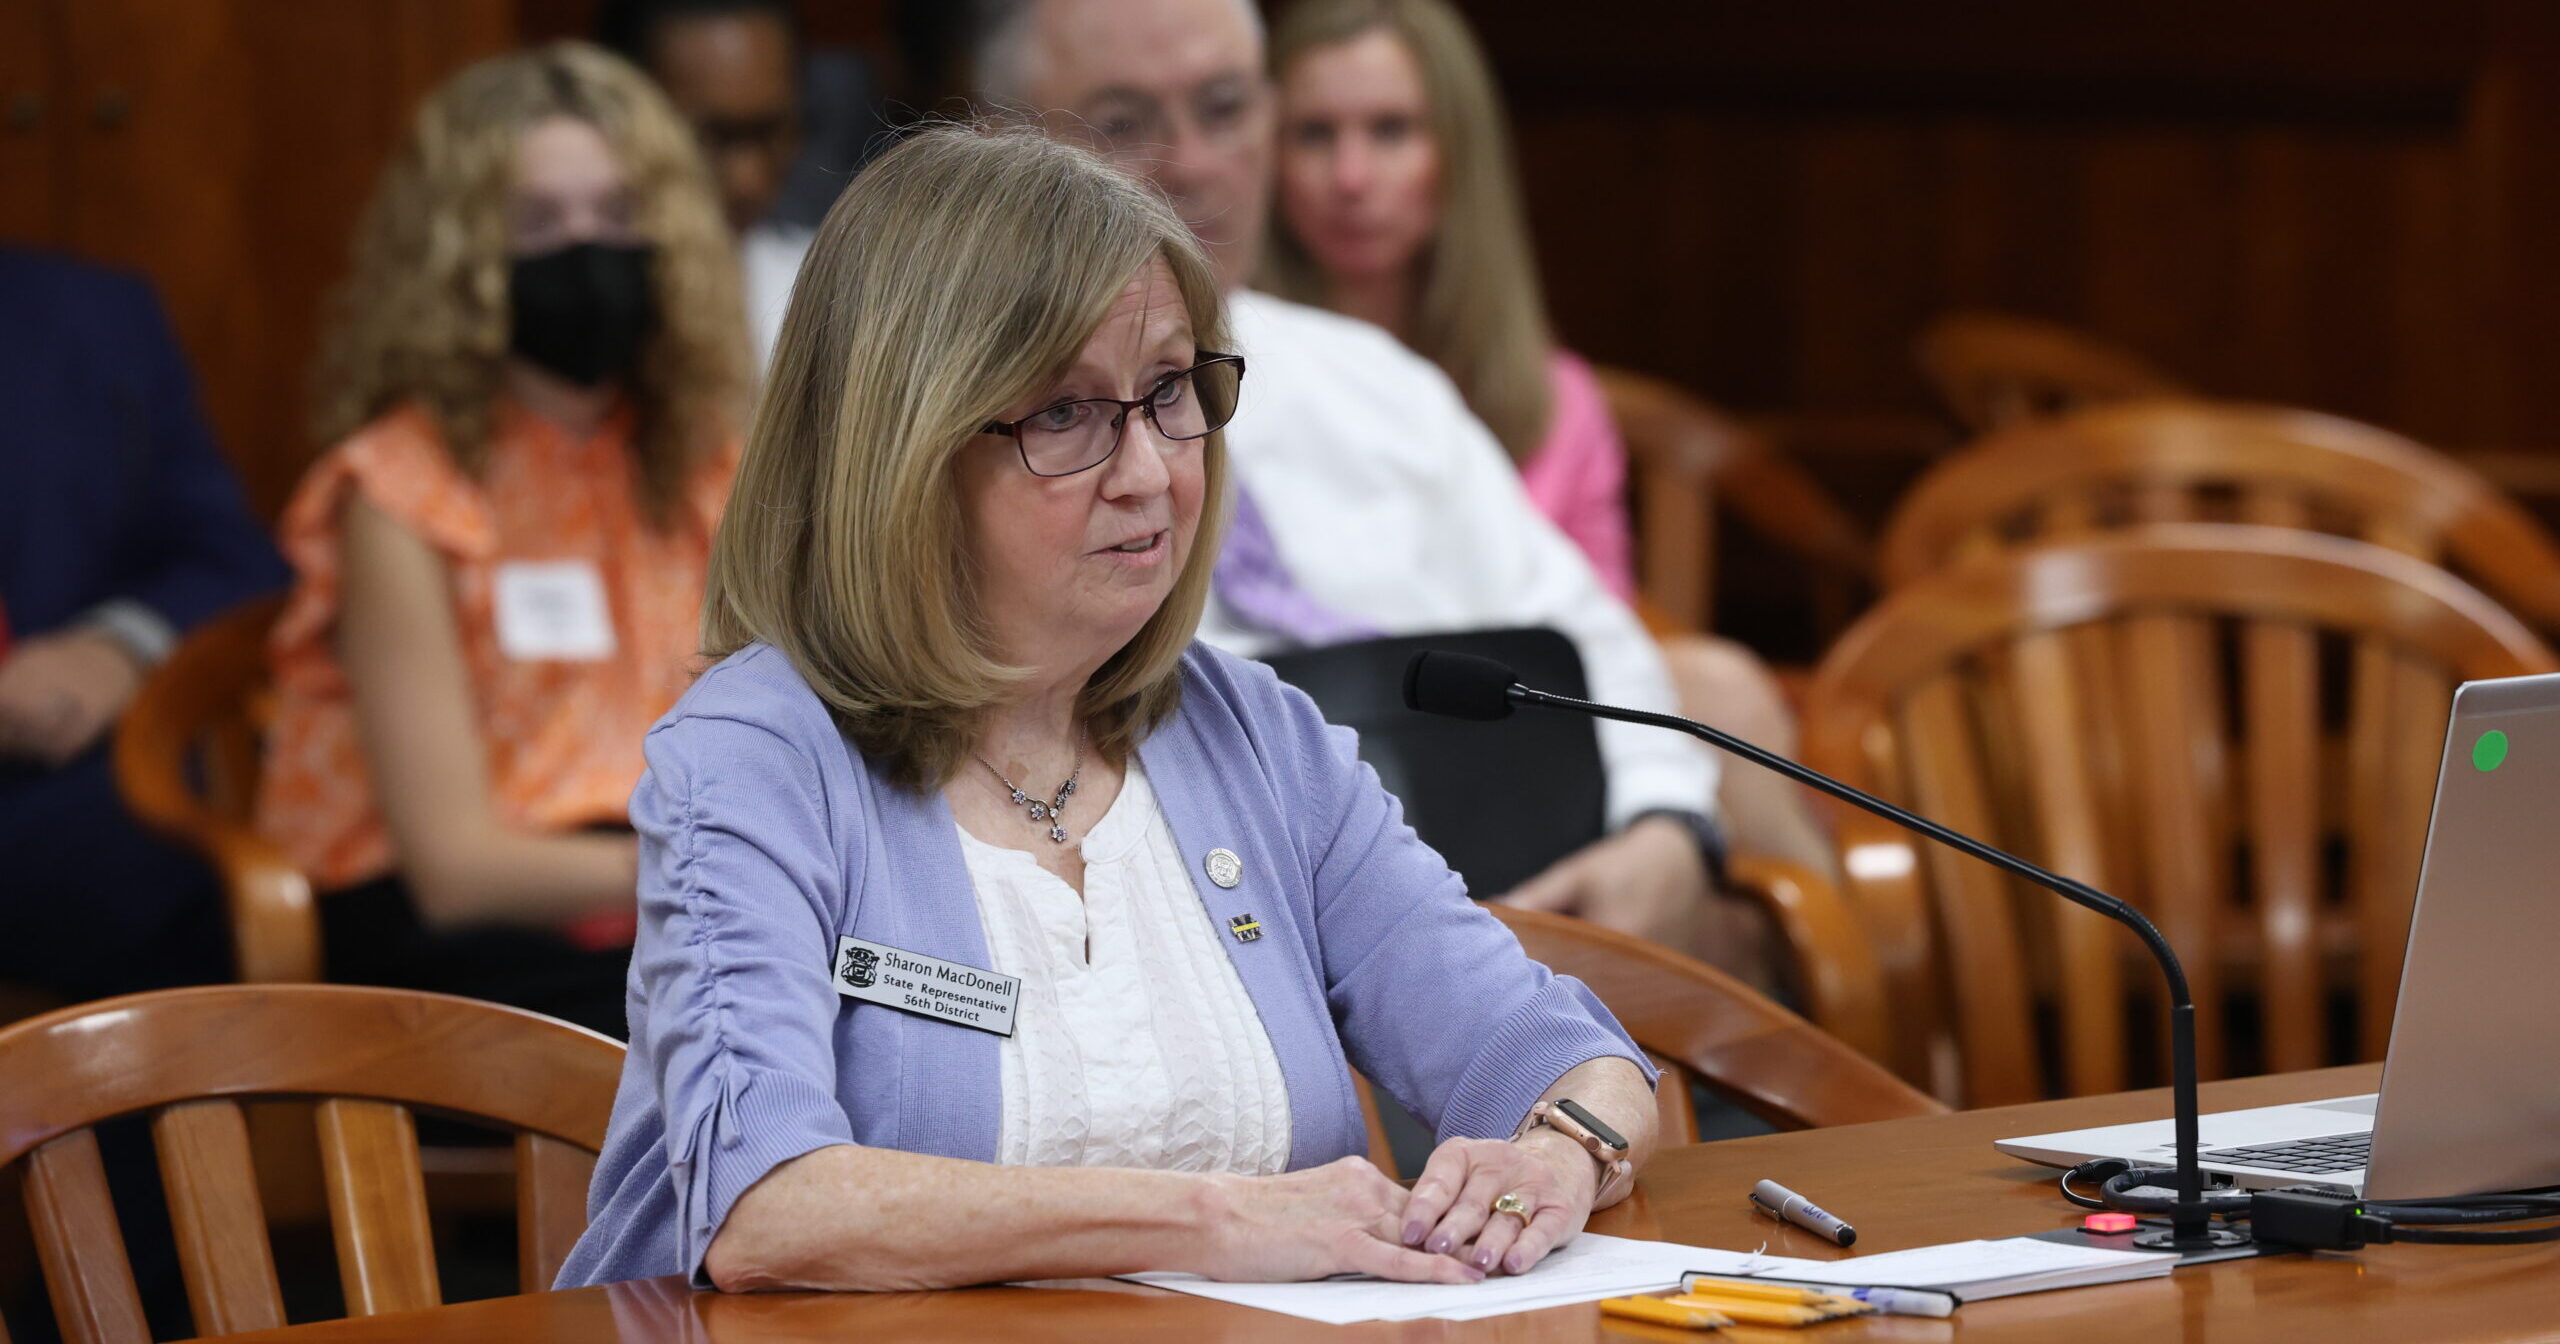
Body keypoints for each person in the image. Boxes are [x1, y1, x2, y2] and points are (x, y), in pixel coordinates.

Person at [558, 123, 1657, 1293]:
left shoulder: (1251, 736)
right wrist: (1212, 1222)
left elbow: (1572, 1061)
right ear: (901, 450)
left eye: (1169, 391)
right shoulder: (757, 754)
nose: (1149, 472)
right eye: (1064, 415)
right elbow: (769, 1210)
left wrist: (1561, 1152)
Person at [968, 0, 1799, 977]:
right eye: (1124, 121)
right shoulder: (966, 429)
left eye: (1224, 108)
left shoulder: (1376, 383)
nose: (1189, 165)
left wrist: (1666, 829)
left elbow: (1589, 636)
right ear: (1004, 142)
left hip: (1525, 928)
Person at [1261, 0, 1836, 878]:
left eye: (1390, 131)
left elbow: (1601, 643)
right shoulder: (1240, 367)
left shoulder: (1554, 397)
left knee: (1716, 696)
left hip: (1532, 752)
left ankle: (1833, 975)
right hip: (1344, 746)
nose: (1350, 176)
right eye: (1313, 134)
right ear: (1263, 150)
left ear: (1457, 151)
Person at [256, 43, 749, 1038]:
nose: (586, 250)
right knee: (746, 1023)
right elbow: (454, 872)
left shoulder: (704, 461)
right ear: (464, 257)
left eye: (617, 217)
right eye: (538, 224)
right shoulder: (398, 491)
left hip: (669, 894)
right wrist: (733, 875)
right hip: (457, 939)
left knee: (908, 992)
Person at [0, 247, 290, 1001]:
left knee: (171, 864)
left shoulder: (92, 314)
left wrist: (116, 648)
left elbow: (233, 556)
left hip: (48, 785)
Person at [603, 0, 893, 370]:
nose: (747, 180)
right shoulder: (572, 314)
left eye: (771, 132)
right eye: (709, 138)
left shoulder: (835, 300)